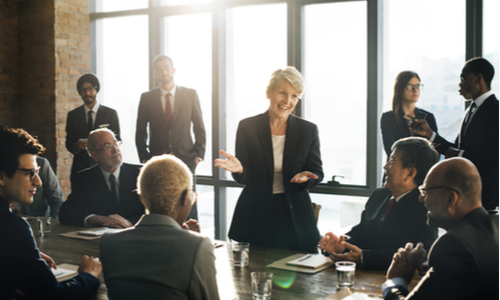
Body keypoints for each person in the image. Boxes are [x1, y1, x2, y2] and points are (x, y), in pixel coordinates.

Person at [215, 67, 323, 253]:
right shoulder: (247, 127)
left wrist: (308, 177)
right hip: (256, 213)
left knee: (300, 277)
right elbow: (245, 177)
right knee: (251, 274)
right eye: (282, 93)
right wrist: (240, 170)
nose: (287, 101)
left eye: (294, 96)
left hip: (293, 215)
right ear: (268, 92)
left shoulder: (308, 130)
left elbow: (317, 172)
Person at [0, 127, 101, 299]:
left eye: (37, 173)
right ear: (2, 177)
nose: (38, 182)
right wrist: (89, 275)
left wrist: (23, 255)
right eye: (29, 173)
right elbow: (55, 295)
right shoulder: (12, 227)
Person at [100, 154, 219, 300]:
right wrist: (194, 242)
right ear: (183, 199)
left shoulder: (108, 243)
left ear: (141, 197)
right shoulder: (198, 246)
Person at [383, 157, 499, 300]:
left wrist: (394, 281)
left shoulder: (455, 245)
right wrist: (430, 267)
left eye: (425, 192)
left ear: (450, 198)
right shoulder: (495, 224)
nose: (420, 199)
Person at [319, 137, 439, 270]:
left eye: (392, 161)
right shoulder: (380, 195)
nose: (385, 166)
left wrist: (365, 258)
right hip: (362, 277)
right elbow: (361, 233)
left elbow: (423, 253)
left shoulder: (425, 205)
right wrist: (341, 245)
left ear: (410, 173)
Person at [411, 57, 498, 210]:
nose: (460, 85)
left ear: (478, 79)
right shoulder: (470, 110)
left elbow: (495, 158)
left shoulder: (496, 111)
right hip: (465, 194)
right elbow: (454, 149)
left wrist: (461, 155)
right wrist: (430, 135)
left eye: (463, 79)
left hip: (485, 198)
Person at [136, 54, 206, 220]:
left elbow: (200, 128)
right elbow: (140, 132)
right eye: (159, 70)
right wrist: (146, 159)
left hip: (186, 159)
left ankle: (193, 239)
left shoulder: (190, 95)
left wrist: (198, 156)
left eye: (166, 68)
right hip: (157, 160)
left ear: (173, 70)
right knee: (160, 203)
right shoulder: (147, 98)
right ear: (155, 74)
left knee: (188, 202)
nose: (164, 72)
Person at [59, 128, 144, 228]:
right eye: (108, 146)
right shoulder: (86, 178)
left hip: (136, 236)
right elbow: (66, 213)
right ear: (95, 155)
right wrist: (101, 220)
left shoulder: (140, 173)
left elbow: (157, 213)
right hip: (100, 239)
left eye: (116, 143)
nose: (115, 149)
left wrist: (129, 223)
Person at [66, 73, 120, 187]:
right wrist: (76, 146)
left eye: (90, 89)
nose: (87, 93)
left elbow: (118, 139)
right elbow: (68, 142)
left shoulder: (110, 114)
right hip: (80, 167)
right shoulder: (73, 115)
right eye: (83, 90)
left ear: (96, 89)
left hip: (104, 165)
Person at [380, 71, 438, 158]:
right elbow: (391, 150)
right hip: (398, 169)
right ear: (400, 89)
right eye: (410, 86)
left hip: (424, 170)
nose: (415, 90)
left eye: (418, 86)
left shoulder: (428, 117)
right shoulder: (388, 118)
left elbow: (435, 149)